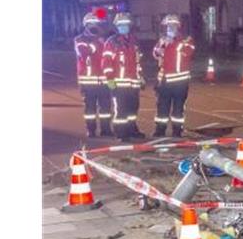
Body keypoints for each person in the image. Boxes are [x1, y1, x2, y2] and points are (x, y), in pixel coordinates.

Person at [101, 12, 144, 140]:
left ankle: (132, 130)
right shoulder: (112, 42)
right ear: (116, 27)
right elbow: (106, 63)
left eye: (125, 25)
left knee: (133, 110)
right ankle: (121, 133)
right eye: (121, 25)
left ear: (129, 25)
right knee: (121, 110)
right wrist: (110, 80)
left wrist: (140, 77)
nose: (123, 27)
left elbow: (138, 62)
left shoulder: (134, 42)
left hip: (133, 83)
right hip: (118, 84)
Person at [151, 14, 196, 137]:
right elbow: (155, 53)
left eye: (173, 25)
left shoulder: (186, 39)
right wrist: (159, 49)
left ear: (178, 26)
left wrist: (174, 42)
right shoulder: (163, 39)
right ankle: (160, 129)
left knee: (178, 108)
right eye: (168, 26)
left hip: (180, 81)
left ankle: (177, 130)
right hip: (164, 81)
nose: (170, 28)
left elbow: (189, 51)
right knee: (162, 107)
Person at [73, 8, 112, 137]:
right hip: (88, 82)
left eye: (96, 24)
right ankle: (91, 130)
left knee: (105, 108)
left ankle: (106, 130)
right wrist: (97, 42)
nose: (94, 26)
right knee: (90, 109)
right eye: (91, 24)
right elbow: (84, 52)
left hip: (104, 81)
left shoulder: (105, 39)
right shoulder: (80, 39)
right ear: (86, 25)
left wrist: (112, 81)